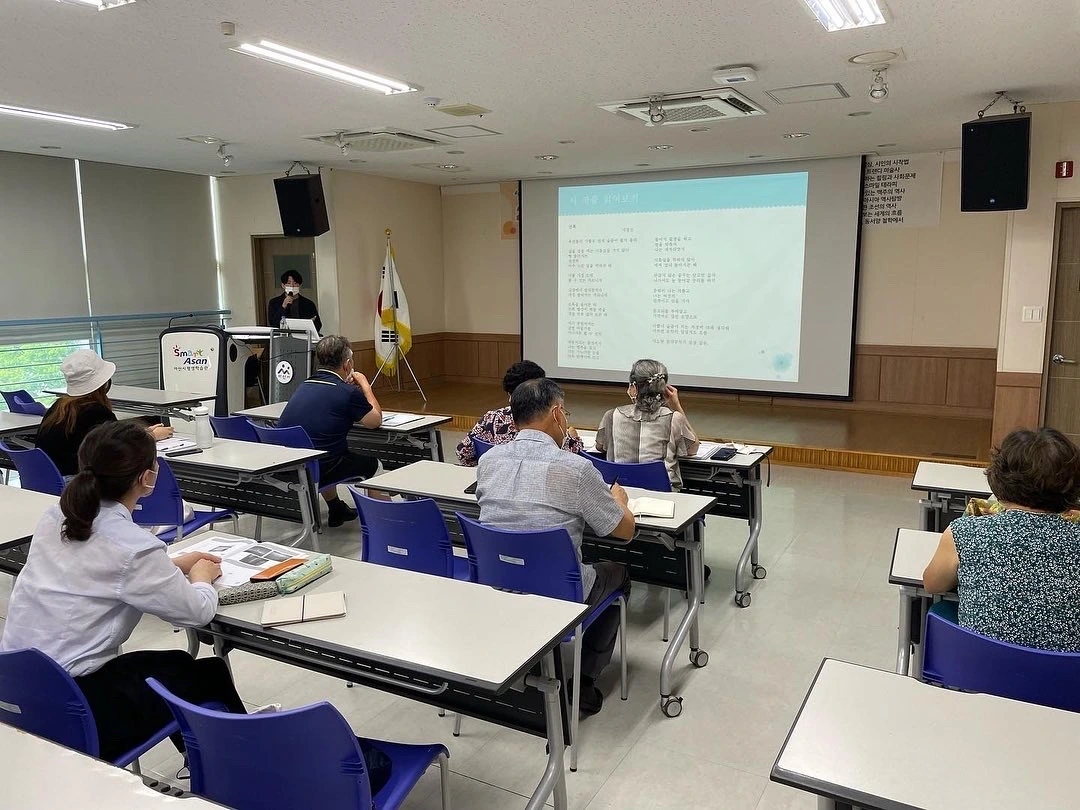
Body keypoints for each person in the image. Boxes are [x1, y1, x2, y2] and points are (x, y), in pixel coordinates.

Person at [0, 420, 394, 791]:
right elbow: (197, 611)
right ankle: (252, 770)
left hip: (21, 686)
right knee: (207, 676)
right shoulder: (133, 548)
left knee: (177, 666)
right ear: (148, 478)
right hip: (73, 709)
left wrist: (169, 564)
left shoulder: (60, 516)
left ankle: (210, 758)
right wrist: (202, 576)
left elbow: (98, 570)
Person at [476, 378, 636, 714]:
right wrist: (619, 501)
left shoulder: (489, 461)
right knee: (618, 573)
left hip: (497, 584)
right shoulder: (576, 468)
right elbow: (624, 531)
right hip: (559, 593)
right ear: (557, 413)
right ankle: (584, 681)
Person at [923, 427, 1080, 652]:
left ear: (999, 478)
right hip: (1064, 674)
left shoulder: (965, 532)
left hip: (978, 669)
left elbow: (932, 584)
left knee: (941, 610)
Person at [279, 335, 384, 527]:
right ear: (347, 364)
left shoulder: (303, 385)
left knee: (325, 449)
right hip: (320, 468)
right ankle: (382, 523)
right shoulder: (348, 392)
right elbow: (375, 421)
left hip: (291, 466)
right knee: (374, 466)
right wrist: (365, 386)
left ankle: (336, 508)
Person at [36, 349, 172, 477]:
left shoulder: (58, 408)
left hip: (49, 480)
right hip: (78, 483)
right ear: (104, 384)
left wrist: (143, 433)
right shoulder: (96, 412)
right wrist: (151, 436)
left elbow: (107, 438)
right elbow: (118, 449)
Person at [594, 359, 699, 490]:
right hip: (662, 494)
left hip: (620, 492)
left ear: (633, 388)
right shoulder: (674, 418)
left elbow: (600, 447)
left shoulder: (611, 415)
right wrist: (676, 406)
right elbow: (692, 449)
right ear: (663, 388)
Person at [457, 360, 584, 466]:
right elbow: (571, 462)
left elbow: (463, 453)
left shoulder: (491, 418)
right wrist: (573, 438)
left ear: (510, 394)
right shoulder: (547, 422)